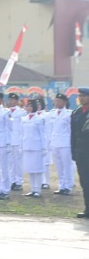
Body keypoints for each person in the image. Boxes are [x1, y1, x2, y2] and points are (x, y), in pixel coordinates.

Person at [21, 99, 46, 197]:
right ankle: (32, 189)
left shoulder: (39, 119)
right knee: (30, 169)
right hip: (27, 146)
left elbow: (43, 134)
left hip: (36, 146)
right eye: (27, 106)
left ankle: (38, 190)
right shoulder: (24, 119)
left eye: (31, 106)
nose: (28, 108)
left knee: (38, 169)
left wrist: (44, 148)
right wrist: (21, 146)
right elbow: (21, 133)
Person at [71, 87, 89, 219]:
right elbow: (73, 135)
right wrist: (74, 152)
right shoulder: (76, 112)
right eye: (80, 96)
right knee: (84, 182)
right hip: (81, 153)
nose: (81, 98)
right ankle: (87, 209)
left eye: (84, 96)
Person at [50, 93, 74, 195]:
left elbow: (71, 130)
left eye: (59, 101)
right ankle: (62, 186)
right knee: (59, 166)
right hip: (55, 143)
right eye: (56, 101)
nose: (57, 103)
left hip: (65, 143)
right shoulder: (52, 113)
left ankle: (68, 186)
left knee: (66, 166)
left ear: (64, 102)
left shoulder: (69, 114)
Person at [7, 93, 24, 191]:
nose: (11, 102)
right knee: (10, 162)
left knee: (18, 162)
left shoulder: (21, 112)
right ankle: (12, 180)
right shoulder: (6, 112)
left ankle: (19, 181)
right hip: (9, 140)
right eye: (9, 100)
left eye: (13, 100)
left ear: (17, 101)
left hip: (18, 140)